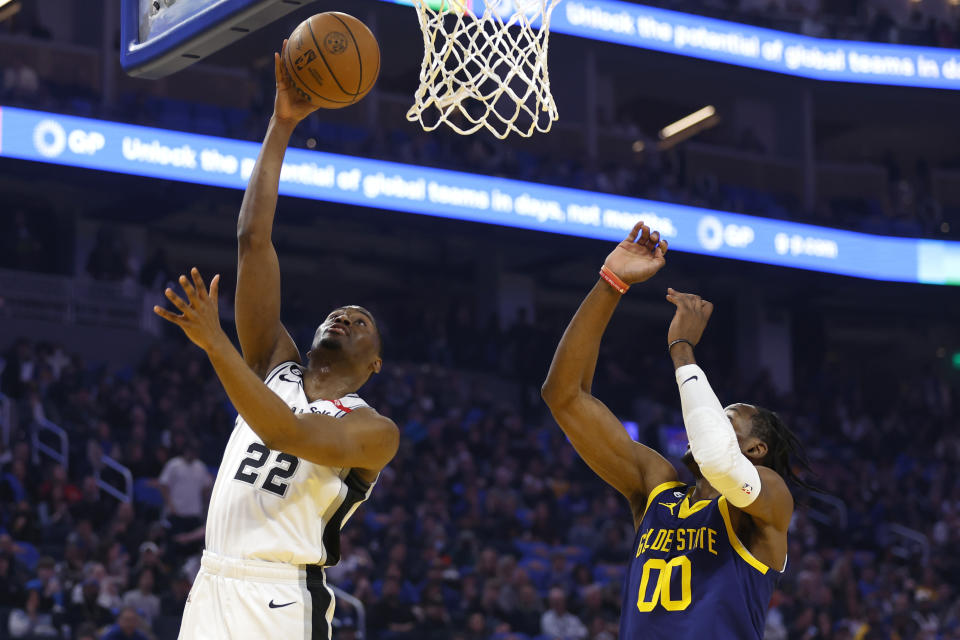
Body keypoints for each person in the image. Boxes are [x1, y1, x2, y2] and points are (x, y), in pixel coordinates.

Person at [152, 39, 399, 640]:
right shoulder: (275, 366)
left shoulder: (374, 431)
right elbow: (252, 242)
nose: (344, 316)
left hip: (282, 598)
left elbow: (286, 432)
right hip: (212, 581)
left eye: (360, 321)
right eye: (339, 311)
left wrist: (217, 344)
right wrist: (281, 122)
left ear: (374, 365)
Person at [542, 222, 809, 639]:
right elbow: (564, 396)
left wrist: (682, 348)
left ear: (756, 449)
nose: (706, 418)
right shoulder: (657, 487)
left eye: (725, 417)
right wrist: (611, 281)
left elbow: (719, 460)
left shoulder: (771, 498)